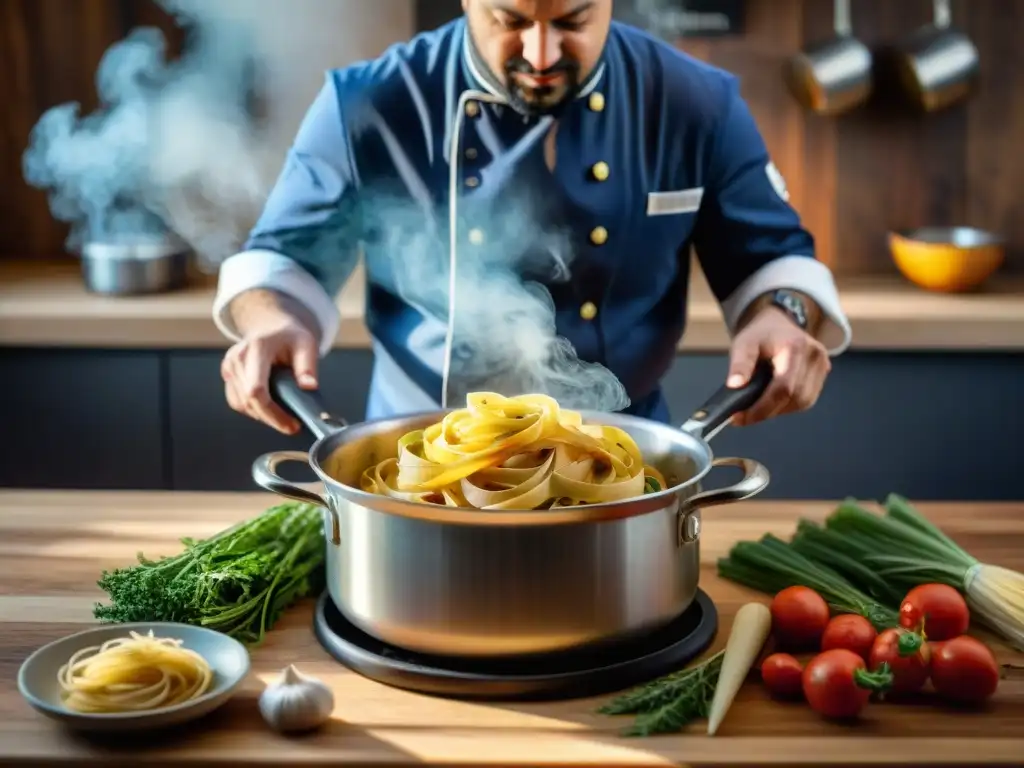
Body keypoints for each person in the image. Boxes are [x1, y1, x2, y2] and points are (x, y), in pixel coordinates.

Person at [213, 0, 852, 436]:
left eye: (573, 18)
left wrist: (785, 316)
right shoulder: (369, 102)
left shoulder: (696, 103)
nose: (542, 52)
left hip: (629, 456)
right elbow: (282, 262)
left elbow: (774, 261)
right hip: (415, 456)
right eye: (510, 19)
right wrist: (269, 322)